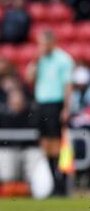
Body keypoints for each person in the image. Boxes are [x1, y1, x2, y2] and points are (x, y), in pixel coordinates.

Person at [26, 30, 74, 196]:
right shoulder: (39, 60)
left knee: (56, 144)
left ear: (52, 42)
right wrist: (35, 61)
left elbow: (68, 86)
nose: (42, 47)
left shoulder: (64, 59)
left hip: (56, 104)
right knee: (45, 144)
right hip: (41, 104)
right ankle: (54, 181)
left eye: (44, 43)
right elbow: (29, 79)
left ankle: (61, 182)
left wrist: (67, 108)